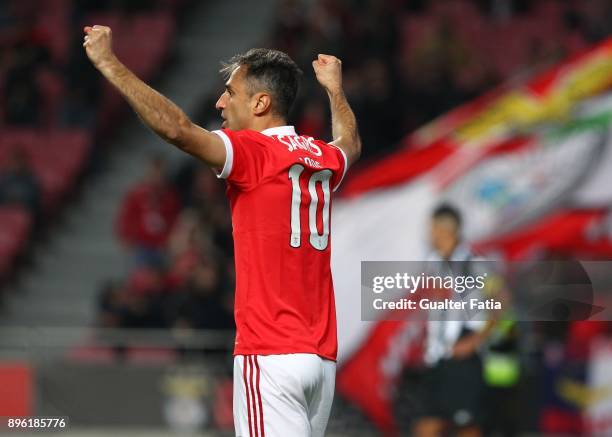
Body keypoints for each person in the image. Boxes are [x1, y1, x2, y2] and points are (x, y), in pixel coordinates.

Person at [83, 24, 361, 437]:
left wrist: (109, 63)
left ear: (262, 102)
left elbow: (177, 129)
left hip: (270, 354)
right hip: (320, 359)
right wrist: (335, 89)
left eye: (230, 92)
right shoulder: (321, 156)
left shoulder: (254, 153)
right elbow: (350, 143)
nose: (219, 102)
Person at [412, 204, 493, 437]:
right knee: (426, 427)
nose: (430, 233)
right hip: (438, 356)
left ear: (445, 229)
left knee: (466, 428)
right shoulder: (434, 262)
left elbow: (501, 303)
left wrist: (475, 340)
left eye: (433, 228)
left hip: (463, 356)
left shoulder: (473, 263)